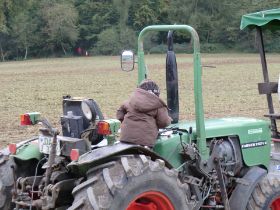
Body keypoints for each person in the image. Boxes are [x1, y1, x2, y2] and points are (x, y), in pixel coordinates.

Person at [116, 79, 172, 147]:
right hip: (145, 142)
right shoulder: (158, 105)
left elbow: (119, 115)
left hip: (126, 138)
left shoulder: (130, 101)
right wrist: (169, 120)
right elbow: (163, 122)